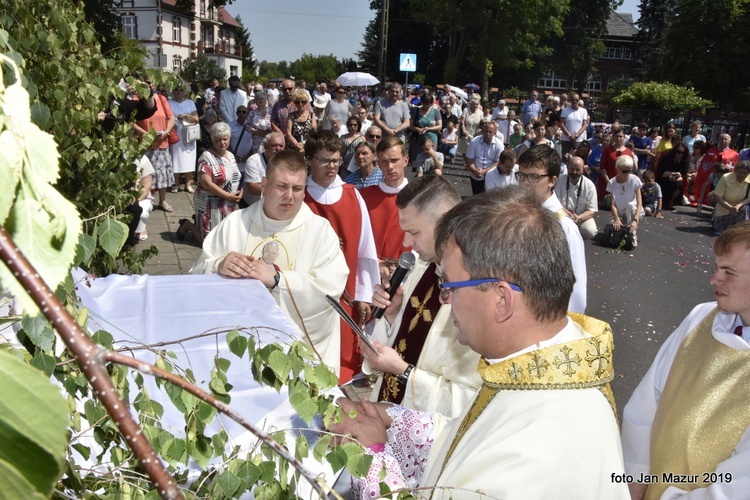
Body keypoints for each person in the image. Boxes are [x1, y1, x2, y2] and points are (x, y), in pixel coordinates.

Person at [329, 186, 627, 499]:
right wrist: (395, 419)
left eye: (450, 286)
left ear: (502, 300)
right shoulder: (531, 366)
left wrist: (375, 455)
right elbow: (470, 438)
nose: (445, 300)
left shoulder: (543, 441)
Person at [621, 221, 750, 500]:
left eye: (729, 272)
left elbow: (738, 486)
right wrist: (636, 477)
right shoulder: (701, 317)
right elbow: (648, 402)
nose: (714, 279)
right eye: (717, 267)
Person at [190, 150, 349, 375]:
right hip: (238, 353)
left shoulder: (320, 231)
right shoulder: (236, 223)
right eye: (282, 186)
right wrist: (218, 266)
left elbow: (331, 291)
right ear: (264, 184)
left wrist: (278, 280)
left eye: (297, 188)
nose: (290, 196)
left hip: (297, 357)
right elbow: (195, 275)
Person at [362, 176, 481, 418]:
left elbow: (468, 400)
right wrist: (392, 314)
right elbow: (409, 341)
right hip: (389, 411)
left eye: (413, 232)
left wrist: (405, 372)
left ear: (446, 224)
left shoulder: (477, 289)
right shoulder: (421, 265)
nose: (406, 243)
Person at [302, 130, 379, 383]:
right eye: (324, 160)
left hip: (344, 291)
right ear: (309, 160)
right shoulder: (300, 196)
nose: (331, 166)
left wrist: (365, 295)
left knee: (342, 360)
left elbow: (366, 250)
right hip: (308, 288)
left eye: (335, 160)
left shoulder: (352, 195)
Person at [518, 146, 587, 313]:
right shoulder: (519, 214)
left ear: (552, 181)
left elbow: (576, 294)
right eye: (521, 176)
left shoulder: (565, 228)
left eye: (534, 177)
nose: (525, 183)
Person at [178, 122, 242, 242]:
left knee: (225, 239)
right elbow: (207, 184)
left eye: (225, 139)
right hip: (209, 202)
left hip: (228, 202)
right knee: (208, 242)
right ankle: (188, 225)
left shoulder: (230, 155)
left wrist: (240, 192)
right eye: (218, 140)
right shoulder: (206, 157)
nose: (222, 143)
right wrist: (228, 196)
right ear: (212, 140)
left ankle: (199, 223)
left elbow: (236, 177)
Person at [360, 136, 411, 267]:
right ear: (378, 164)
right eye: (384, 162)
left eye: (394, 160)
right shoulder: (363, 197)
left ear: (405, 160)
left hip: (407, 271)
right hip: (370, 268)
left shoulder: (420, 197)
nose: (390, 167)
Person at [135, 84, 176, 212]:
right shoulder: (136, 99)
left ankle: (162, 200)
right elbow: (131, 122)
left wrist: (167, 131)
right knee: (145, 174)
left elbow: (171, 118)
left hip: (161, 142)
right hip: (144, 144)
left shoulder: (161, 98)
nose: (150, 86)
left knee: (162, 173)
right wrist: (145, 134)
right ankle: (147, 199)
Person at [554, 156, 598, 240]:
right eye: (571, 169)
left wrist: (579, 217)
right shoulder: (559, 180)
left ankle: (576, 241)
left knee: (590, 231)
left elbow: (592, 210)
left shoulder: (589, 185)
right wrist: (567, 214)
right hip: (561, 214)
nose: (574, 172)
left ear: (583, 170)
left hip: (580, 218)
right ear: (567, 167)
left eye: (578, 170)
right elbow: (555, 203)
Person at [168, 84, 199, 193]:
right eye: (176, 89)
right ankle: (176, 184)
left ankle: (188, 184)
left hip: (189, 134)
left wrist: (186, 116)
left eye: (181, 90)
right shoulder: (169, 103)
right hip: (176, 134)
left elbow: (196, 119)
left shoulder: (190, 103)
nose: (178, 92)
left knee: (189, 159)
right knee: (175, 158)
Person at [607, 155, 644, 243]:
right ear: (618, 168)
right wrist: (616, 218)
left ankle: (632, 232)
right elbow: (613, 204)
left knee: (631, 206)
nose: (627, 173)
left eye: (629, 170)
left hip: (634, 211)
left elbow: (639, 203)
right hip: (620, 213)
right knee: (614, 226)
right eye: (624, 171)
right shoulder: (612, 183)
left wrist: (635, 220)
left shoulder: (635, 180)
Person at [694, 133, 740, 204]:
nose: (723, 140)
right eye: (721, 139)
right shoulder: (711, 151)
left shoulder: (734, 154)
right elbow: (704, 164)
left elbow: (735, 167)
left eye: (725, 139)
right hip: (711, 176)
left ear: (729, 141)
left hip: (725, 178)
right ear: (718, 140)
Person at [242, 132, 285, 206]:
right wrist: (280, 188)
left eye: (281, 146)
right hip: (251, 206)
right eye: (274, 145)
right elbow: (253, 188)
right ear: (265, 146)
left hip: (271, 206)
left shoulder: (285, 163)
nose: (278, 148)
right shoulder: (253, 161)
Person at [711, 160, 750, 235]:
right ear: (735, 171)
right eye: (740, 172)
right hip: (723, 212)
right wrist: (730, 208)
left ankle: (742, 232)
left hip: (738, 211)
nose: (742, 175)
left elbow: (749, 198)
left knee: (746, 208)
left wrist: (738, 206)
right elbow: (717, 197)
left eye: (745, 173)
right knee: (726, 233)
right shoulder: (726, 178)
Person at [465, 120, 503, 195]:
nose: (487, 134)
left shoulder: (499, 144)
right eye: (486, 131)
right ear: (482, 131)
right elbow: (469, 159)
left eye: (490, 132)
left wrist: (485, 171)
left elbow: (498, 162)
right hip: (475, 173)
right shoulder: (474, 141)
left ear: (495, 133)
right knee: (476, 196)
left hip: (491, 173)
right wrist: (475, 171)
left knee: (488, 197)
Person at [598, 128, 634, 202]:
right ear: (613, 137)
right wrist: (608, 181)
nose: (619, 138)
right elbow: (602, 167)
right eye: (617, 136)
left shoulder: (628, 152)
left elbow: (630, 168)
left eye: (621, 136)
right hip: (607, 181)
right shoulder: (607, 150)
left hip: (622, 183)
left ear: (624, 137)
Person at [655, 143, 689, 210]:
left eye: (683, 153)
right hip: (663, 179)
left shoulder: (685, 160)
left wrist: (675, 178)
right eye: (679, 152)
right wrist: (673, 174)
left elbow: (683, 175)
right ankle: (662, 201)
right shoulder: (666, 156)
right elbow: (661, 172)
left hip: (676, 180)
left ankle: (671, 201)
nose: (681, 155)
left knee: (679, 185)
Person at [247, 90, 272, 155]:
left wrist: (271, 129)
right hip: (257, 142)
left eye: (262, 99)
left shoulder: (271, 110)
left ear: (265, 100)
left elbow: (276, 122)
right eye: (258, 99)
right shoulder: (252, 112)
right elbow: (247, 125)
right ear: (255, 101)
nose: (260, 100)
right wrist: (255, 131)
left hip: (270, 140)